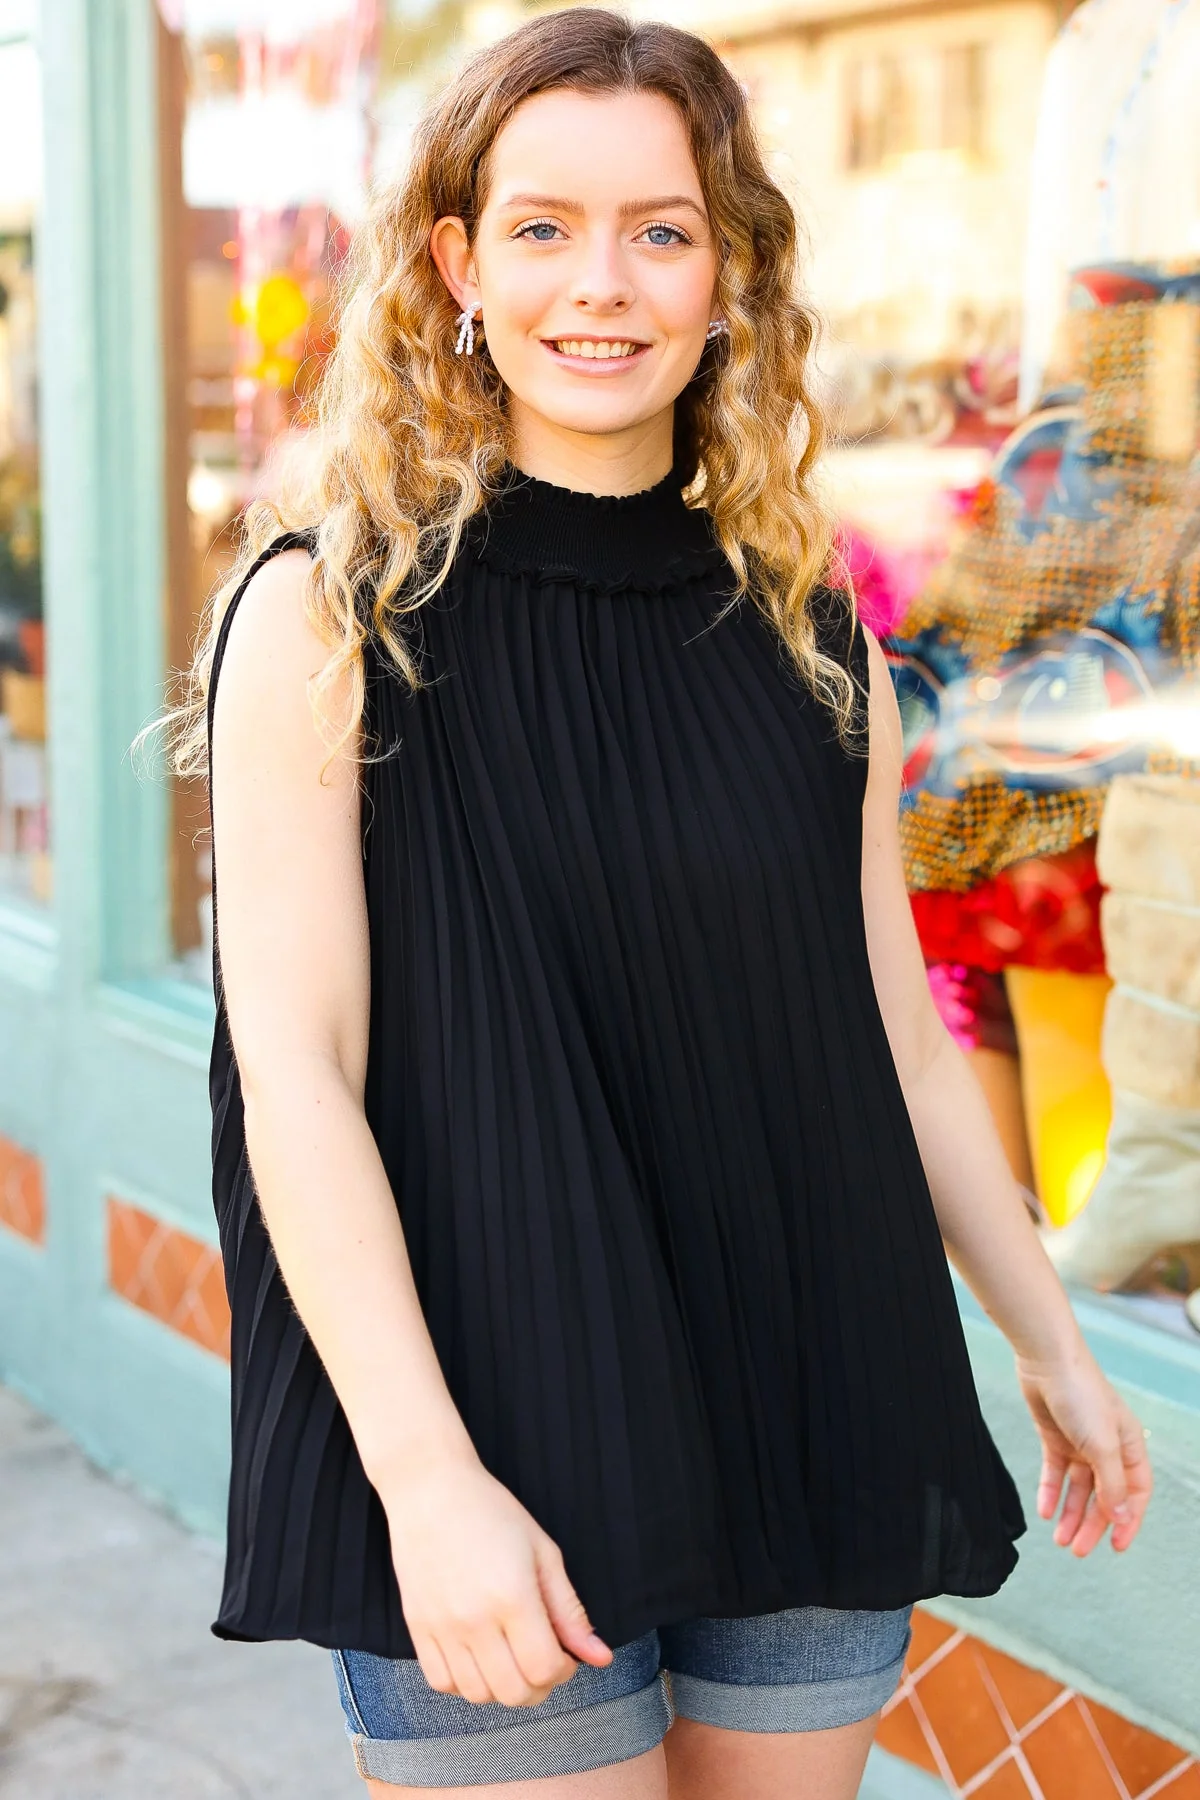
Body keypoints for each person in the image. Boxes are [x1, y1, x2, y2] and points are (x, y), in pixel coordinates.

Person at [167, 12, 1153, 1797]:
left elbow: (900, 1044)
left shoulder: (808, 630)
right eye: (543, 227)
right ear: (458, 264)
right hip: (493, 1420)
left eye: (662, 228)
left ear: (727, 273)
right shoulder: (330, 618)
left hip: (805, 1381)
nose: (601, 284)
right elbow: (293, 1080)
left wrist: (1052, 1340)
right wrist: (424, 1478)